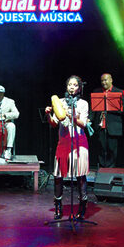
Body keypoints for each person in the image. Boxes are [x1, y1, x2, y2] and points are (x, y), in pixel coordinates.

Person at [44, 75, 90, 220]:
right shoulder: (60, 102)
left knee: (80, 175)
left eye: (75, 85)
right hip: (64, 142)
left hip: (79, 142)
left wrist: (72, 116)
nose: (72, 87)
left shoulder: (83, 103)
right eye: (70, 84)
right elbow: (54, 123)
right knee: (58, 175)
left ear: (79, 88)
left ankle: (82, 206)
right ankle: (58, 206)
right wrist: (48, 115)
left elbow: (83, 124)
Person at [94, 73, 124, 168]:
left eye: (105, 80)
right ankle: (102, 167)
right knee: (101, 147)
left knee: (112, 148)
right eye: (102, 81)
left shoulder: (119, 92)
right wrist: (89, 118)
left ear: (111, 80)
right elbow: (92, 108)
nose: (104, 82)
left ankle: (110, 168)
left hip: (113, 125)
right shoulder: (97, 92)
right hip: (100, 125)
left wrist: (112, 107)